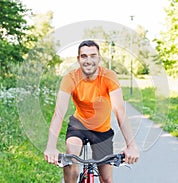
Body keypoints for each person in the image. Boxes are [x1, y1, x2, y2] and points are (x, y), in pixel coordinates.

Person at [44, 40, 139, 183]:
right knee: (71, 164)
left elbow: (119, 110)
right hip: (78, 127)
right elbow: (58, 113)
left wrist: (131, 146)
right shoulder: (70, 78)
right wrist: (51, 147)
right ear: (78, 59)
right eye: (84, 56)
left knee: (106, 179)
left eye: (93, 55)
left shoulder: (109, 77)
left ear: (99, 58)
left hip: (102, 130)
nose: (88, 60)